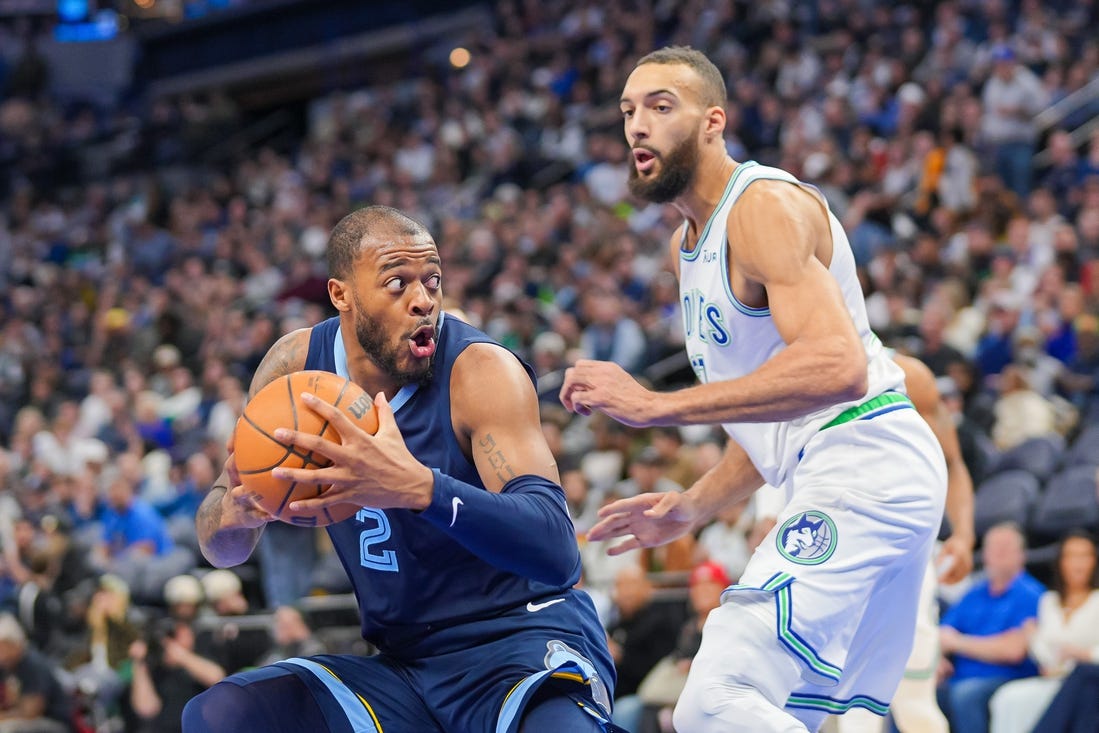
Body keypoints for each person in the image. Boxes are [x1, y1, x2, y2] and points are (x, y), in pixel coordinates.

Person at [565, 46, 947, 733]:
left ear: (713, 122)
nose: (636, 127)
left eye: (659, 106)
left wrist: (657, 406)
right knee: (816, 718)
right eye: (627, 111)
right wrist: (689, 506)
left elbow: (836, 368)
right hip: (848, 463)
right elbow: (776, 418)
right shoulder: (691, 244)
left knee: (714, 698)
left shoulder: (761, 207)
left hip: (863, 460)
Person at [184, 206, 621, 733]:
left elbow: (557, 551)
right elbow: (219, 547)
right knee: (222, 715)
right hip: (405, 668)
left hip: (521, 645)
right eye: (397, 283)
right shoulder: (295, 370)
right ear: (341, 295)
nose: (424, 301)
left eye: (432, 281)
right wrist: (235, 515)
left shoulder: (480, 372)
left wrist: (419, 488)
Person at [750, 351, 976, 733]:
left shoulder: (908, 375)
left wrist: (965, 535)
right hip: (820, 554)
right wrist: (764, 521)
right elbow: (764, 469)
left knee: (913, 699)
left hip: (901, 552)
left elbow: (951, 462)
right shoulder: (783, 374)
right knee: (820, 703)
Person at [938, 522, 1044, 733]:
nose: (998, 554)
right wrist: (936, 659)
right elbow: (941, 634)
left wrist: (958, 642)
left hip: (1007, 677)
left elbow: (1013, 650)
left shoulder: (1032, 594)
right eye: (993, 548)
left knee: (966, 696)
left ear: (1021, 554)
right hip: (960, 676)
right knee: (911, 694)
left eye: (1005, 548)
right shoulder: (974, 593)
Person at [988, 530, 1099, 733]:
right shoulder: (1049, 601)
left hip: (1089, 679)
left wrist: (1083, 654)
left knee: (1081, 678)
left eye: (1084, 556)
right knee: (1007, 698)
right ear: (1060, 562)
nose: (1078, 563)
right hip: (1054, 677)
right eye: (1071, 556)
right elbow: (1046, 655)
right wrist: (1033, 637)